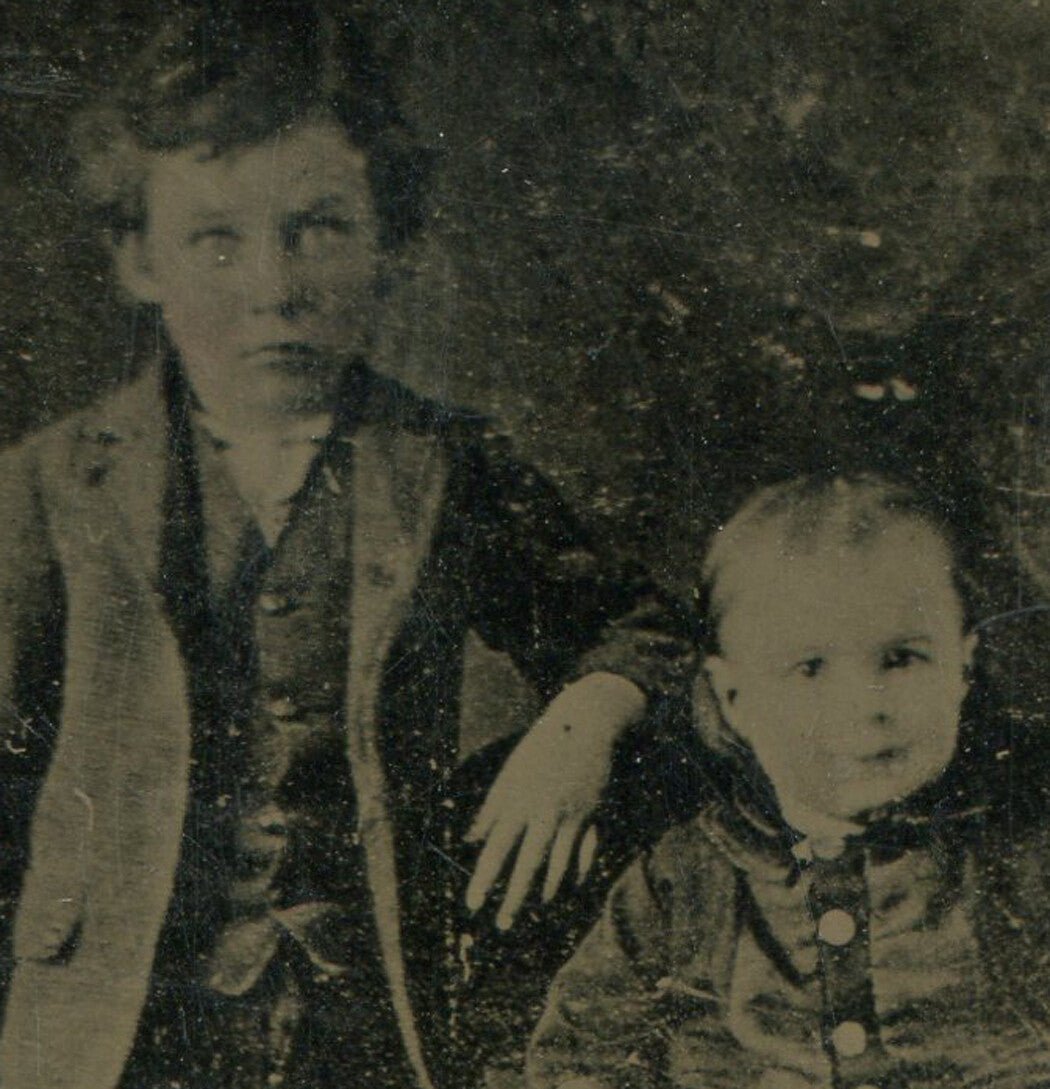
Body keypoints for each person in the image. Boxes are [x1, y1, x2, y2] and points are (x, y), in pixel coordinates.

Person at [0, 7, 694, 1088]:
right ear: (140, 258)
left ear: (391, 236)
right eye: (216, 239)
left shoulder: (444, 464)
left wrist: (586, 715)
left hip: (373, 1017)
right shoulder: (49, 488)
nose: (273, 286)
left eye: (319, 226)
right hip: (117, 1026)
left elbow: (645, 626)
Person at [527, 468, 1050, 1089]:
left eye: (902, 658)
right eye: (810, 670)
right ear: (735, 698)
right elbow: (579, 1059)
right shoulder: (686, 880)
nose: (866, 704)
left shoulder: (1023, 857)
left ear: (963, 666)